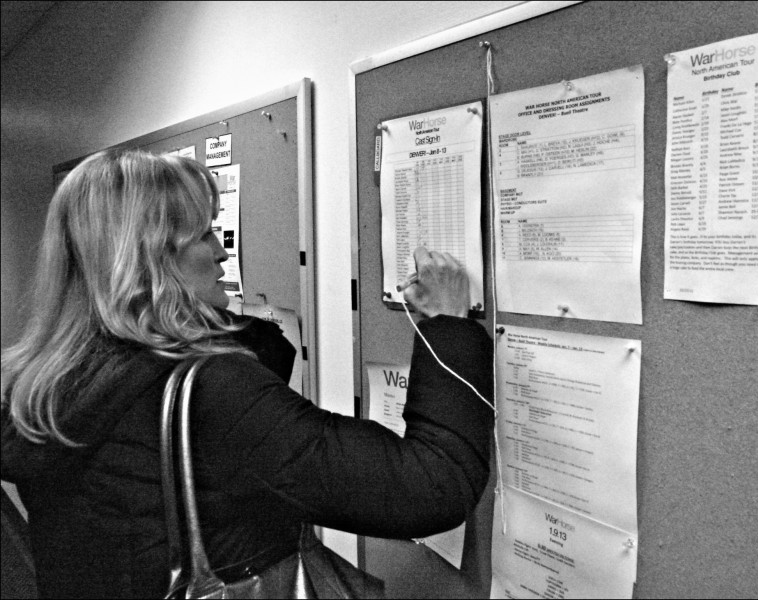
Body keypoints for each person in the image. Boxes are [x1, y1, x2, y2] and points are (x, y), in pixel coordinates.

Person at [0, 148, 494, 599]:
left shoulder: (43, 382)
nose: (220, 252)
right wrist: (447, 327)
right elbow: (432, 484)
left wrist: (191, 312)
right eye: (202, 234)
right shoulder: (209, 392)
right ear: (151, 259)